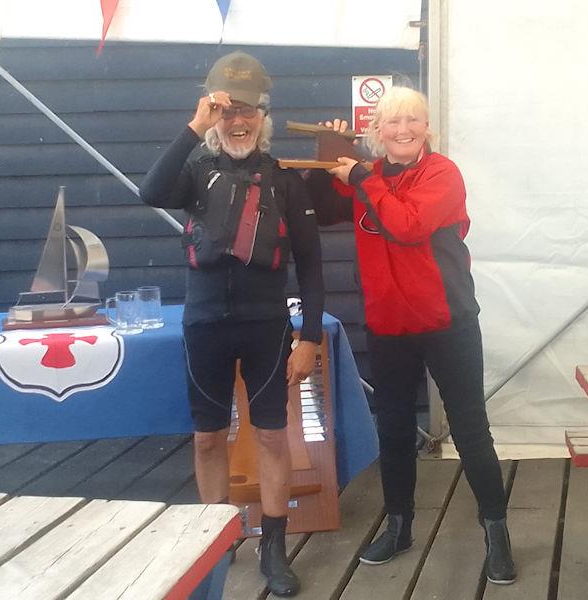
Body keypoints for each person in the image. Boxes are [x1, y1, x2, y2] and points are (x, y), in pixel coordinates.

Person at [305, 86, 517, 584]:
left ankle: (498, 533)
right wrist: (327, 155)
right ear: (377, 130)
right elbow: (325, 208)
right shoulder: (369, 175)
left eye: (413, 121)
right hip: (389, 323)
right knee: (395, 430)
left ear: (428, 128)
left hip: (449, 322)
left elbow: (406, 225)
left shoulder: (443, 173)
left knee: (470, 431)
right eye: (392, 122)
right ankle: (399, 528)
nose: (403, 130)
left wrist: (358, 175)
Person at [139, 51, 324, 597]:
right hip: (204, 326)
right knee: (206, 440)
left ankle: (273, 549)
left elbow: (312, 265)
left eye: (248, 112)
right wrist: (195, 125)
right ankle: (214, 543)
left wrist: (309, 336)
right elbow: (150, 193)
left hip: (267, 325)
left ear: (264, 116)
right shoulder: (194, 173)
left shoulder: (284, 181)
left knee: (271, 439)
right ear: (214, 116)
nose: (238, 122)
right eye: (228, 112)